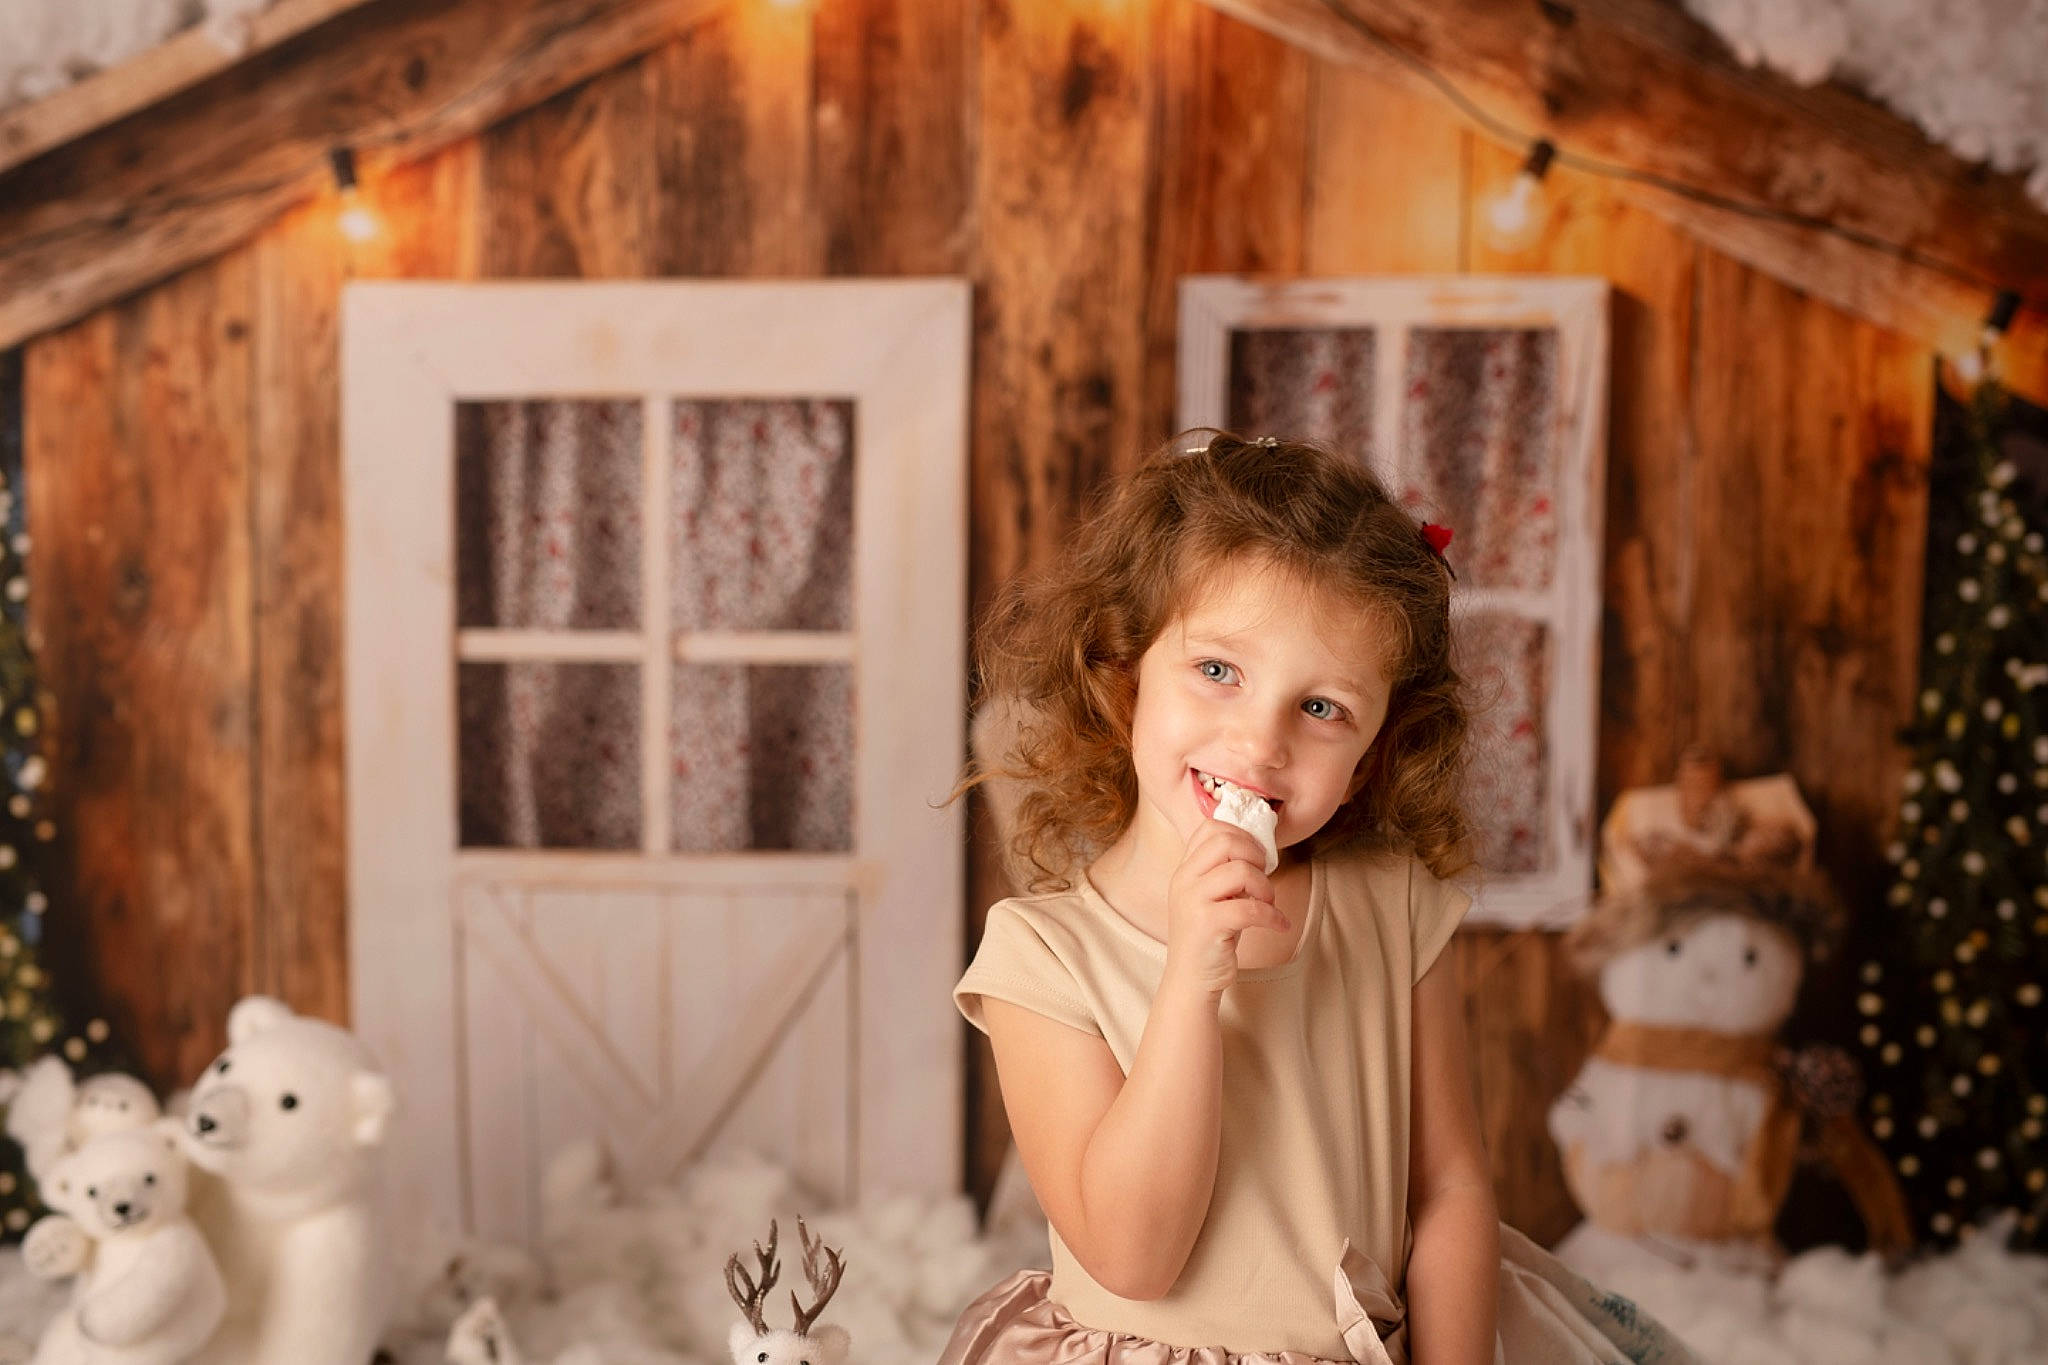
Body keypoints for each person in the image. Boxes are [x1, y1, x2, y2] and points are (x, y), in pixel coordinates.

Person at [941, 434, 1701, 1365]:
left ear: (1373, 753)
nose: (1259, 744)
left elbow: (1448, 1189)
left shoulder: (1390, 904)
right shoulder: (1041, 953)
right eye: (1217, 671)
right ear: (1125, 668)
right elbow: (1133, 1255)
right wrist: (1190, 978)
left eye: (1322, 708)